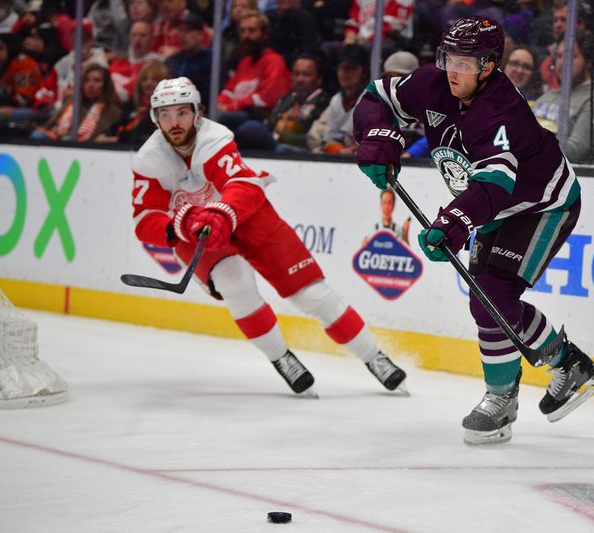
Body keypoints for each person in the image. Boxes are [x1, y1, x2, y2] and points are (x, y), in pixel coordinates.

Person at [353, 16, 594, 445]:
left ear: (489, 65)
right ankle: (562, 367)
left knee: (493, 291)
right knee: (485, 299)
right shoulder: (431, 83)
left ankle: (518, 388)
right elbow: (374, 96)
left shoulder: (500, 109)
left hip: (541, 206)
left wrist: (454, 222)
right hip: (491, 209)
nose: (453, 70)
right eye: (448, 58)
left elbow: (496, 184)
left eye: (466, 63)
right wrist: (377, 136)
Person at [130, 77, 406, 397]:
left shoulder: (215, 139)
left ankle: (375, 357)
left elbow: (243, 187)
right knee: (235, 283)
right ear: (155, 119)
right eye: (165, 114)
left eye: (181, 112)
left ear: (198, 113)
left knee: (311, 294)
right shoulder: (149, 159)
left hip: (249, 218)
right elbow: (144, 219)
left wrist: (219, 212)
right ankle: (281, 358)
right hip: (197, 231)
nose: (174, 122)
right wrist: (184, 222)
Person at [533, 30, 594, 163]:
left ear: (588, 61)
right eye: (559, 56)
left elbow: (574, 151)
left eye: (570, 57)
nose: (562, 63)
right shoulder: (547, 96)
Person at [30, 61, 121, 142]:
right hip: (58, 142)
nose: (91, 85)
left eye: (97, 80)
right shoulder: (71, 101)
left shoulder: (112, 111)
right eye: (87, 80)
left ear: (105, 85)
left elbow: (99, 137)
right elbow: (51, 124)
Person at [307, 44, 369, 155]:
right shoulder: (336, 100)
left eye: (352, 68)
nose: (345, 72)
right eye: (342, 67)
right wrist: (338, 150)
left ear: (363, 72)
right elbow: (328, 138)